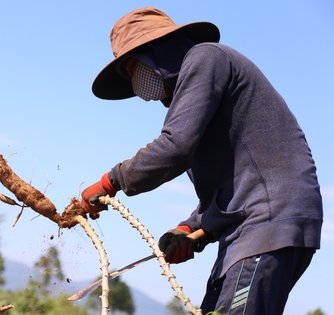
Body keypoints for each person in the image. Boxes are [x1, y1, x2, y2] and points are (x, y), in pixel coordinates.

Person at [80, 7, 323, 315]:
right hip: (247, 233)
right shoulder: (199, 94)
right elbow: (230, 185)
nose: (136, 81)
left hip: (266, 225)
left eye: (134, 69)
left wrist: (111, 181)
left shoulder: (206, 58)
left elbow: (174, 147)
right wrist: (191, 228)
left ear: (156, 53)